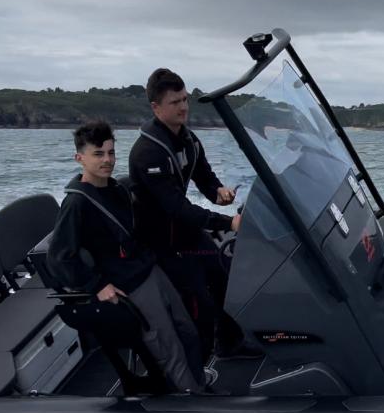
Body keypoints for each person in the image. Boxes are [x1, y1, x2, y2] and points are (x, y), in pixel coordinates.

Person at [47, 120, 206, 393]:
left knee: (188, 332)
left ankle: (201, 385)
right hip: (129, 284)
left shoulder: (118, 189)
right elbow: (59, 258)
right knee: (169, 347)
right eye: (98, 154)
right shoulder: (76, 203)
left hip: (149, 269)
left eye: (111, 153)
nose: (107, 160)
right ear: (79, 158)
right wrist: (97, 285)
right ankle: (193, 401)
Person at [129, 68, 252, 360]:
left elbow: (204, 176)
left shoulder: (188, 139)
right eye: (175, 102)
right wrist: (229, 222)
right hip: (160, 243)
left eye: (185, 99)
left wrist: (219, 192)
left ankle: (228, 344)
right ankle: (197, 367)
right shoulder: (148, 153)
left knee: (222, 276)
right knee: (199, 300)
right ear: (156, 107)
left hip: (184, 233)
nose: (183, 107)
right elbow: (176, 207)